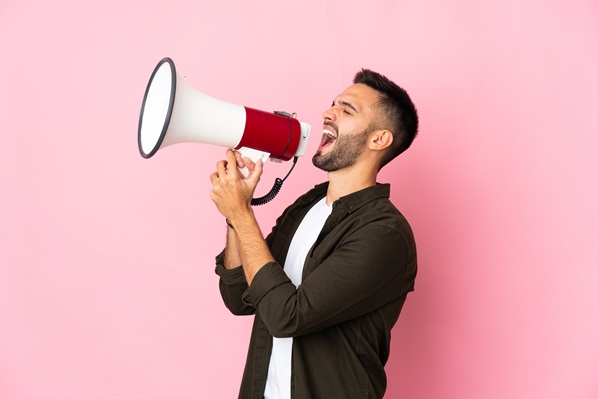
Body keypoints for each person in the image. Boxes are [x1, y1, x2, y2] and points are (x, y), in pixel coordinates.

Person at [209, 69, 419, 399]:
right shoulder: (305, 207)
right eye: (333, 104)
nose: (327, 113)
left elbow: (287, 316)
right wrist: (238, 214)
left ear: (379, 139)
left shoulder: (385, 234)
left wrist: (241, 211)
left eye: (346, 110)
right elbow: (238, 297)